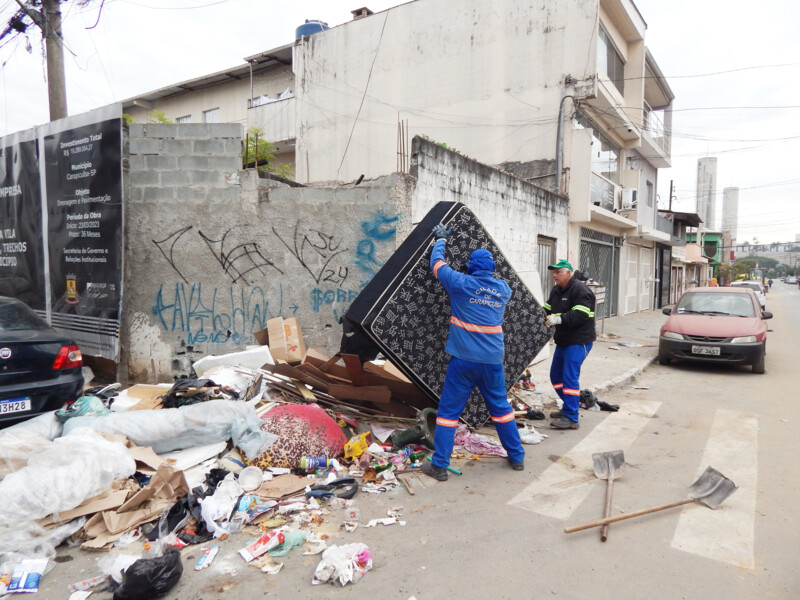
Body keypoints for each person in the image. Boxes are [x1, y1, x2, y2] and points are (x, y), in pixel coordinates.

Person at [421, 223, 525, 481]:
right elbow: (491, 286)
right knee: (501, 409)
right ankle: (517, 457)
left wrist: (441, 239)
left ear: (470, 267)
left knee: (447, 415)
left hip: (463, 363)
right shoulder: (503, 290)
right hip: (492, 362)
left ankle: (440, 466)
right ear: (492, 269)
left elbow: (437, 265)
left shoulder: (460, 283)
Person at [543, 259, 596, 430]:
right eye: (554, 272)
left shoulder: (581, 291)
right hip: (564, 340)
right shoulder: (557, 290)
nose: (554, 275)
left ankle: (572, 417)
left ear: (568, 272)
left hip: (579, 341)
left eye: (558, 272)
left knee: (569, 377)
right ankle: (569, 407)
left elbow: (580, 315)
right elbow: (547, 309)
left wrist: (558, 319)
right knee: (556, 376)